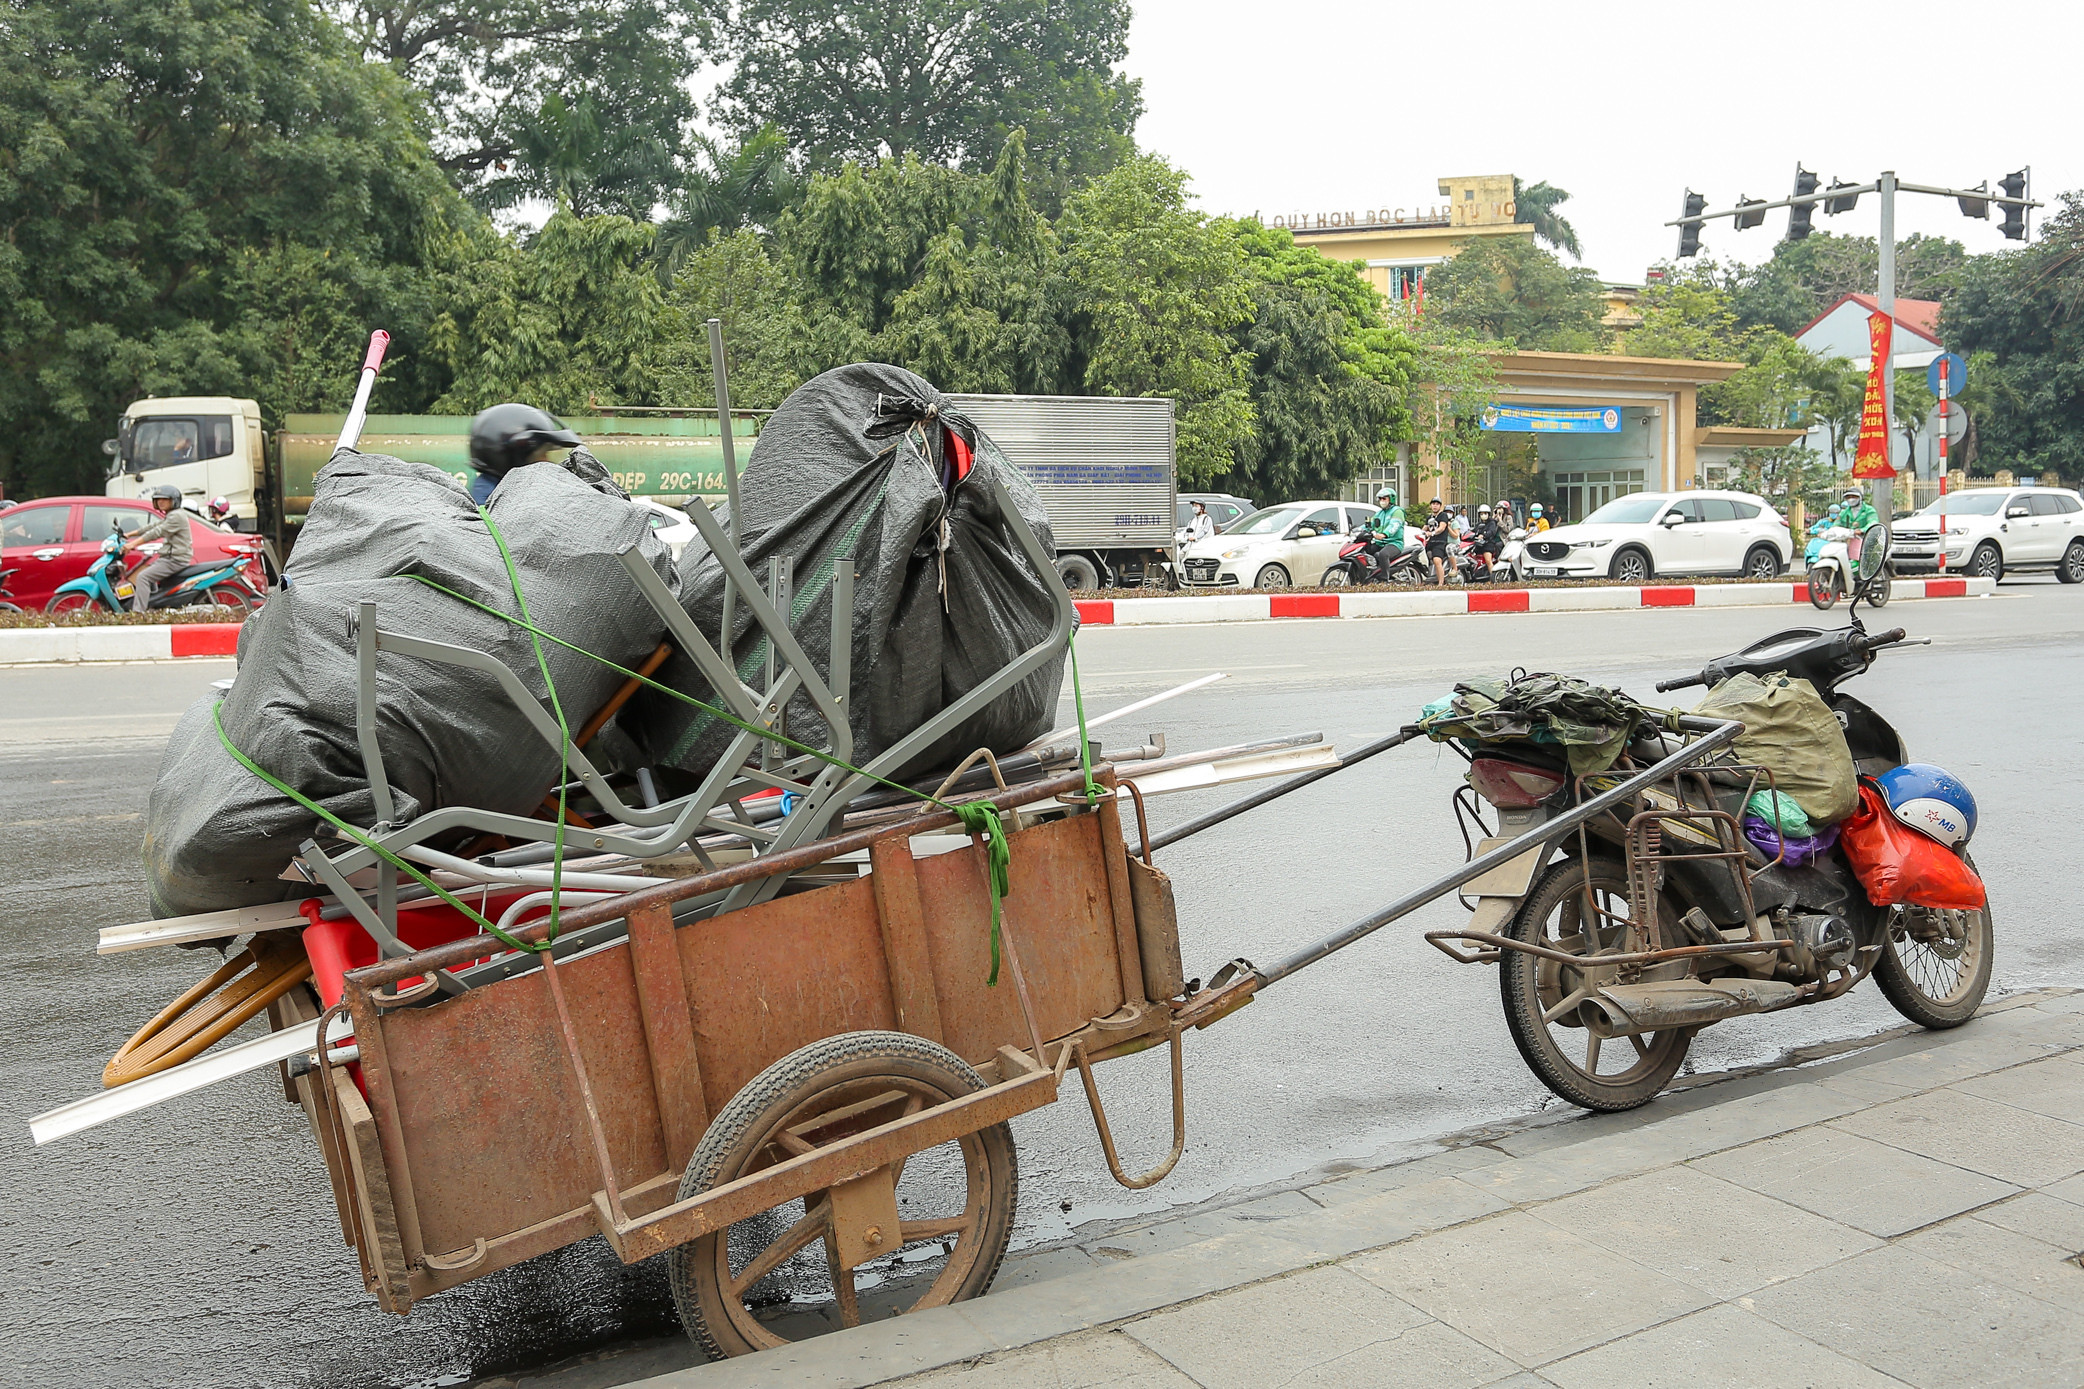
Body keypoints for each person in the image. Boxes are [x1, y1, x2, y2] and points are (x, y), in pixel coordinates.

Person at [468, 403, 583, 505]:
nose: (548, 462)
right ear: (514, 458)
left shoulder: (517, 496)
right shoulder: (490, 506)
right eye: (542, 455)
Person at [124, 485, 192, 611]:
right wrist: (129, 534)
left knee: (142, 577)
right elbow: (153, 526)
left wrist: (133, 544)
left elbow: (157, 532)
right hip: (169, 558)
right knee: (146, 572)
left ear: (174, 500)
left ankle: (138, 613)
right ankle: (152, 607)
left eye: (165, 499)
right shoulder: (172, 514)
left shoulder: (176, 516)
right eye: (158, 499)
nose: (161, 502)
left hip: (174, 559)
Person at [1359, 487, 1405, 581]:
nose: (1381, 501)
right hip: (1380, 542)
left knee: (1383, 554)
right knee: (1366, 550)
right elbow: (1369, 525)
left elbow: (1394, 526)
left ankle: (1385, 579)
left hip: (1394, 543)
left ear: (1391, 499)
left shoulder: (1397, 511)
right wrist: (1356, 530)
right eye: (1380, 499)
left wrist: (1384, 534)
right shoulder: (1379, 513)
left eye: (1384, 498)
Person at [1422, 498, 1456, 586]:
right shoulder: (1429, 517)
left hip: (1440, 542)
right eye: (1433, 504)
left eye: (1437, 504)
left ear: (1440, 506)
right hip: (1430, 543)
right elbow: (1424, 528)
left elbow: (1442, 527)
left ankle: (1441, 583)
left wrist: (1432, 533)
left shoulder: (1443, 515)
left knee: (1437, 560)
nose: (1435, 506)